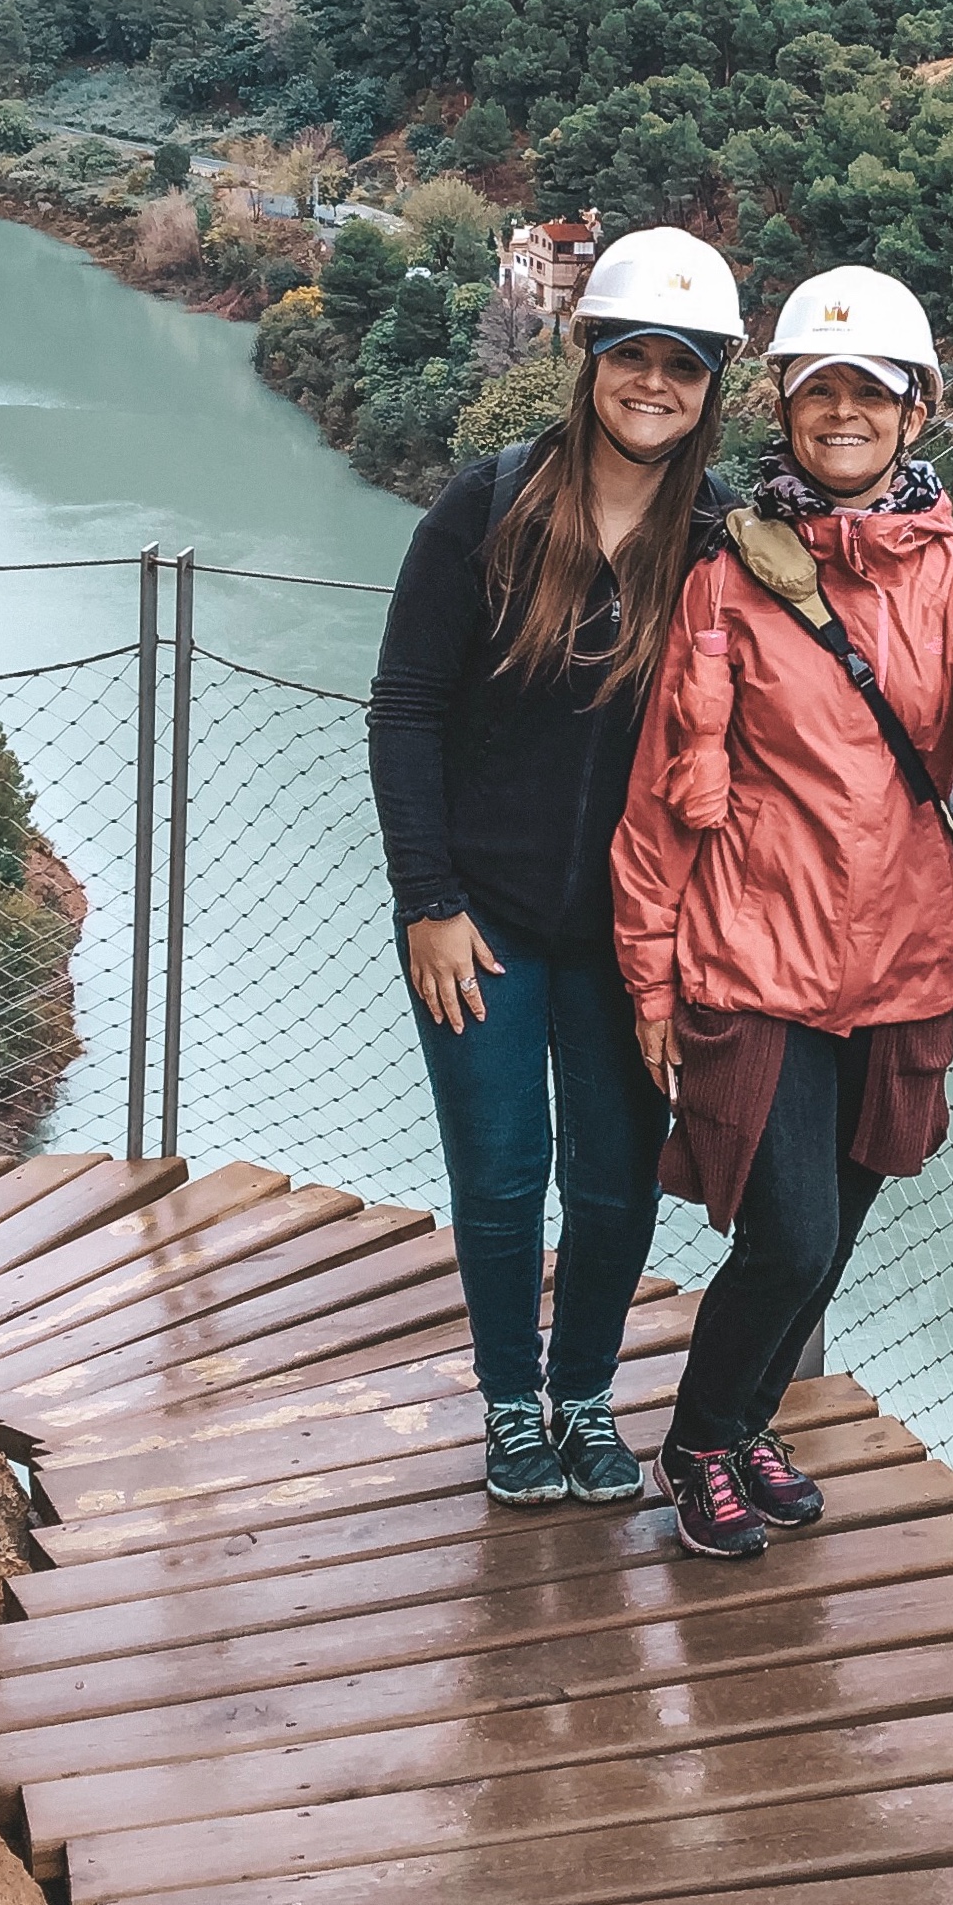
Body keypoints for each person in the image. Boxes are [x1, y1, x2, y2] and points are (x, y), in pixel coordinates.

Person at [612, 261, 953, 1559]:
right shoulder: (728, 585)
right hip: (757, 961)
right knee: (789, 1232)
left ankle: (746, 1428)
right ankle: (698, 1444)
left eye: (871, 391)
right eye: (820, 392)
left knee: (833, 1237)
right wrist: (648, 977)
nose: (843, 413)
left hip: (902, 966)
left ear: (914, 415)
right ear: (787, 409)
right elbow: (663, 798)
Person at [367, 226, 745, 1509]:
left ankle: (586, 1392)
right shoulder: (490, 503)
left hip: (637, 936)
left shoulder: (725, 540)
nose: (654, 385)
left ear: (710, 389)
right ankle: (511, 1404)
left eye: (682, 368)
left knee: (613, 1178)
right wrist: (427, 899)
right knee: (500, 1175)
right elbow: (407, 705)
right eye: (631, 356)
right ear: (588, 360)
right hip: (481, 920)